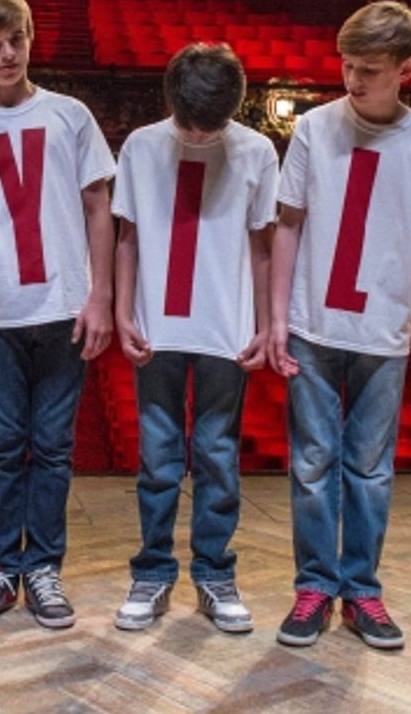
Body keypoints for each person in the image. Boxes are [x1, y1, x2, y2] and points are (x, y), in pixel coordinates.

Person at [267, 0, 411, 651]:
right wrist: (276, 317)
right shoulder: (312, 127)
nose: (352, 80)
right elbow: (289, 223)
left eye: (368, 70)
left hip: (384, 334)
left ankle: (361, 589)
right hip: (310, 323)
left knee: (369, 469)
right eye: (346, 66)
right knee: (311, 464)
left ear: (408, 69)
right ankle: (313, 586)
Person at [0, 0, 115, 630]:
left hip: (66, 305)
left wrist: (100, 296)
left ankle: (43, 568)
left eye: (16, 41)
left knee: (53, 446)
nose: (7, 54)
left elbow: (100, 206)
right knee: (1, 446)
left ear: (31, 40)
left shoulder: (70, 116)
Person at [111, 43, 277, 633]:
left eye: (215, 127)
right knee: (157, 459)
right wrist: (123, 309)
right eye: (190, 125)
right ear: (170, 102)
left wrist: (264, 324)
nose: (201, 138)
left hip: (226, 330)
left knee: (217, 456)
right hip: (157, 324)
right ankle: (152, 572)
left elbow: (263, 245)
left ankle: (214, 573)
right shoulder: (140, 145)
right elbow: (127, 237)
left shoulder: (257, 149)